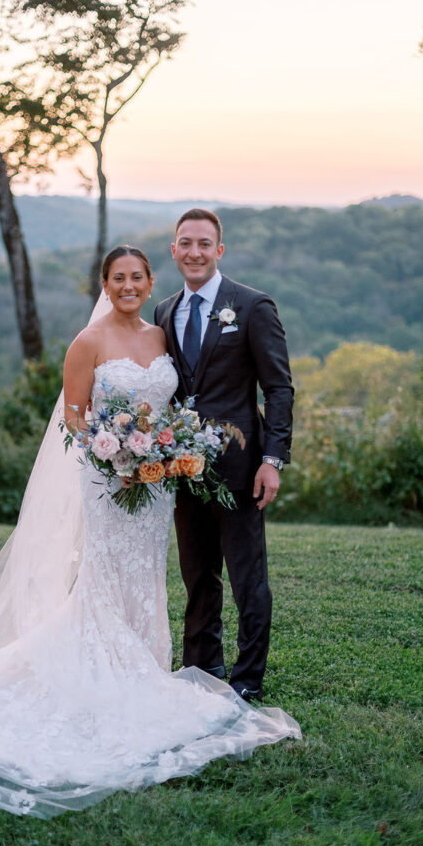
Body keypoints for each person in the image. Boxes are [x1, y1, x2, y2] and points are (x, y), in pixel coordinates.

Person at [0, 244, 300, 819]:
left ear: (151, 282)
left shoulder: (160, 336)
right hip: (109, 484)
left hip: (156, 487)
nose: (129, 286)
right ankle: (103, 676)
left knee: (150, 577)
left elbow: (174, 404)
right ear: (105, 283)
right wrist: (117, 455)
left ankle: (143, 671)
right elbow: (76, 421)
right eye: (118, 278)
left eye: (137, 277)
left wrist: (161, 449)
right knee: (106, 577)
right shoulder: (88, 342)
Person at [154, 209, 294, 702]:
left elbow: (279, 389)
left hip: (241, 470)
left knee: (247, 579)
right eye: (185, 243)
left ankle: (248, 678)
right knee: (197, 576)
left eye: (204, 243)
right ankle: (201, 667)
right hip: (184, 471)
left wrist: (272, 460)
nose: (194, 252)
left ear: (219, 250)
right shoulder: (165, 311)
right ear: (173, 250)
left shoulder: (252, 306)